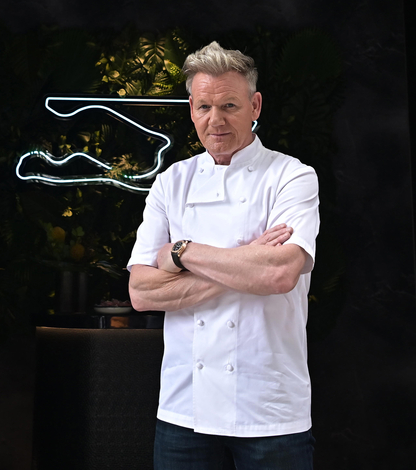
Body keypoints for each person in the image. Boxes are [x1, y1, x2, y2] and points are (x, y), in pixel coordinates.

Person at [127, 41, 320, 470]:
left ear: (255, 105)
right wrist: (247, 260)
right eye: (204, 107)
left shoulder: (292, 176)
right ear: (191, 110)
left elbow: (279, 275)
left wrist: (182, 252)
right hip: (184, 407)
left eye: (229, 105)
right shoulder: (171, 183)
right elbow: (141, 292)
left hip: (270, 408)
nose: (215, 120)